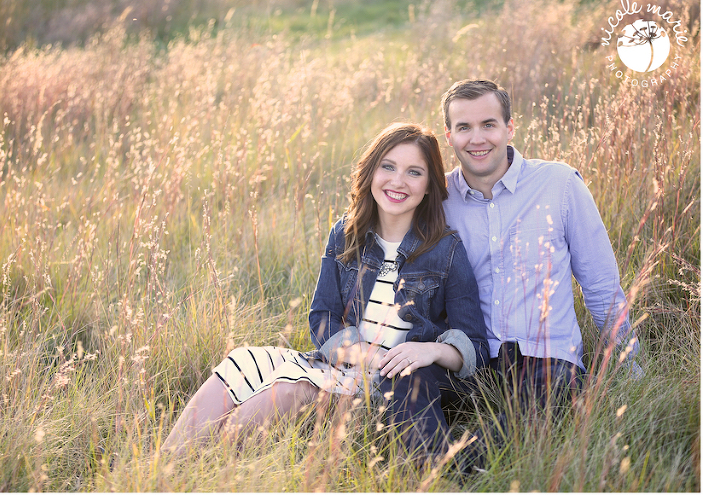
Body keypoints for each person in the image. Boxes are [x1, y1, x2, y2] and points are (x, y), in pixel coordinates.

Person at [161, 122, 489, 459]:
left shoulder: (445, 250)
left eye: (414, 172)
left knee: (290, 389)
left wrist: (430, 352)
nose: (397, 181)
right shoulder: (348, 232)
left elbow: (474, 345)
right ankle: (167, 465)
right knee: (242, 360)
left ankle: (205, 468)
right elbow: (322, 317)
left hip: (385, 385)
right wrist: (364, 353)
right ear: (371, 171)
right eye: (388, 167)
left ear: (430, 186)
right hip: (340, 361)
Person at [439, 79, 642, 417]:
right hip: (467, 360)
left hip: (547, 361)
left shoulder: (559, 185)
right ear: (449, 136)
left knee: (513, 431)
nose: (477, 138)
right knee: (405, 401)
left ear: (509, 128)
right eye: (464, 127)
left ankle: (465, 468)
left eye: (488, 124)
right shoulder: (438, 199)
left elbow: (601, 286)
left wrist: (632, 371)